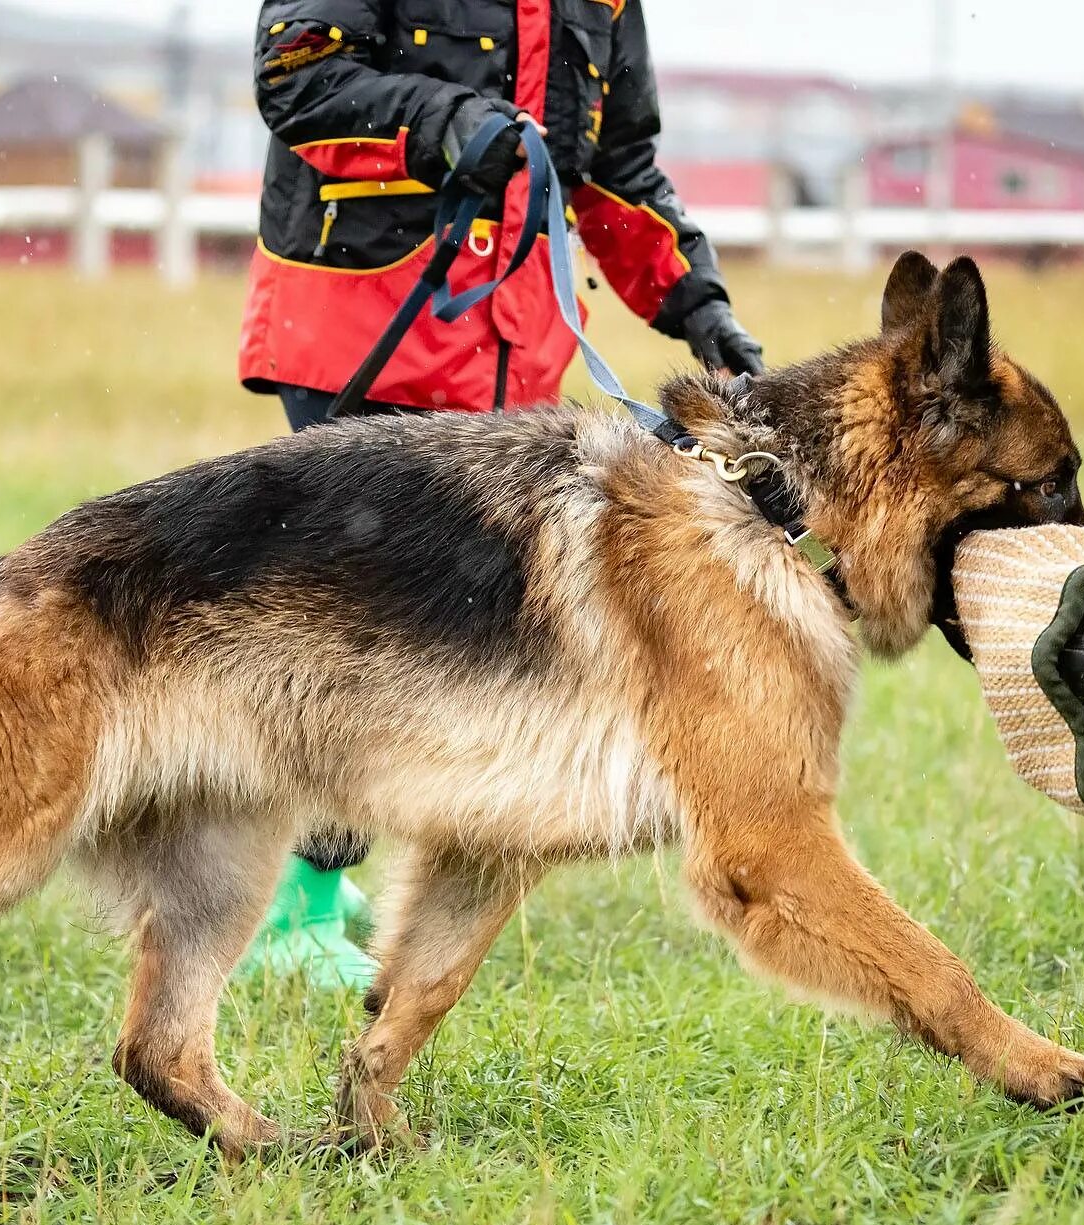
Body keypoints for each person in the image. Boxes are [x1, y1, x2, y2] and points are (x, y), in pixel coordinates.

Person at [236, 0, 765, 985]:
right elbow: (297, 78)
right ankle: (294, 905)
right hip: (367, 327)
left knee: (455, 642)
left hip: (506, 360)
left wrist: (696, 302)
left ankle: (323, 866)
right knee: (363, 638)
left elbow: (613, 165)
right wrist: (449, 124)